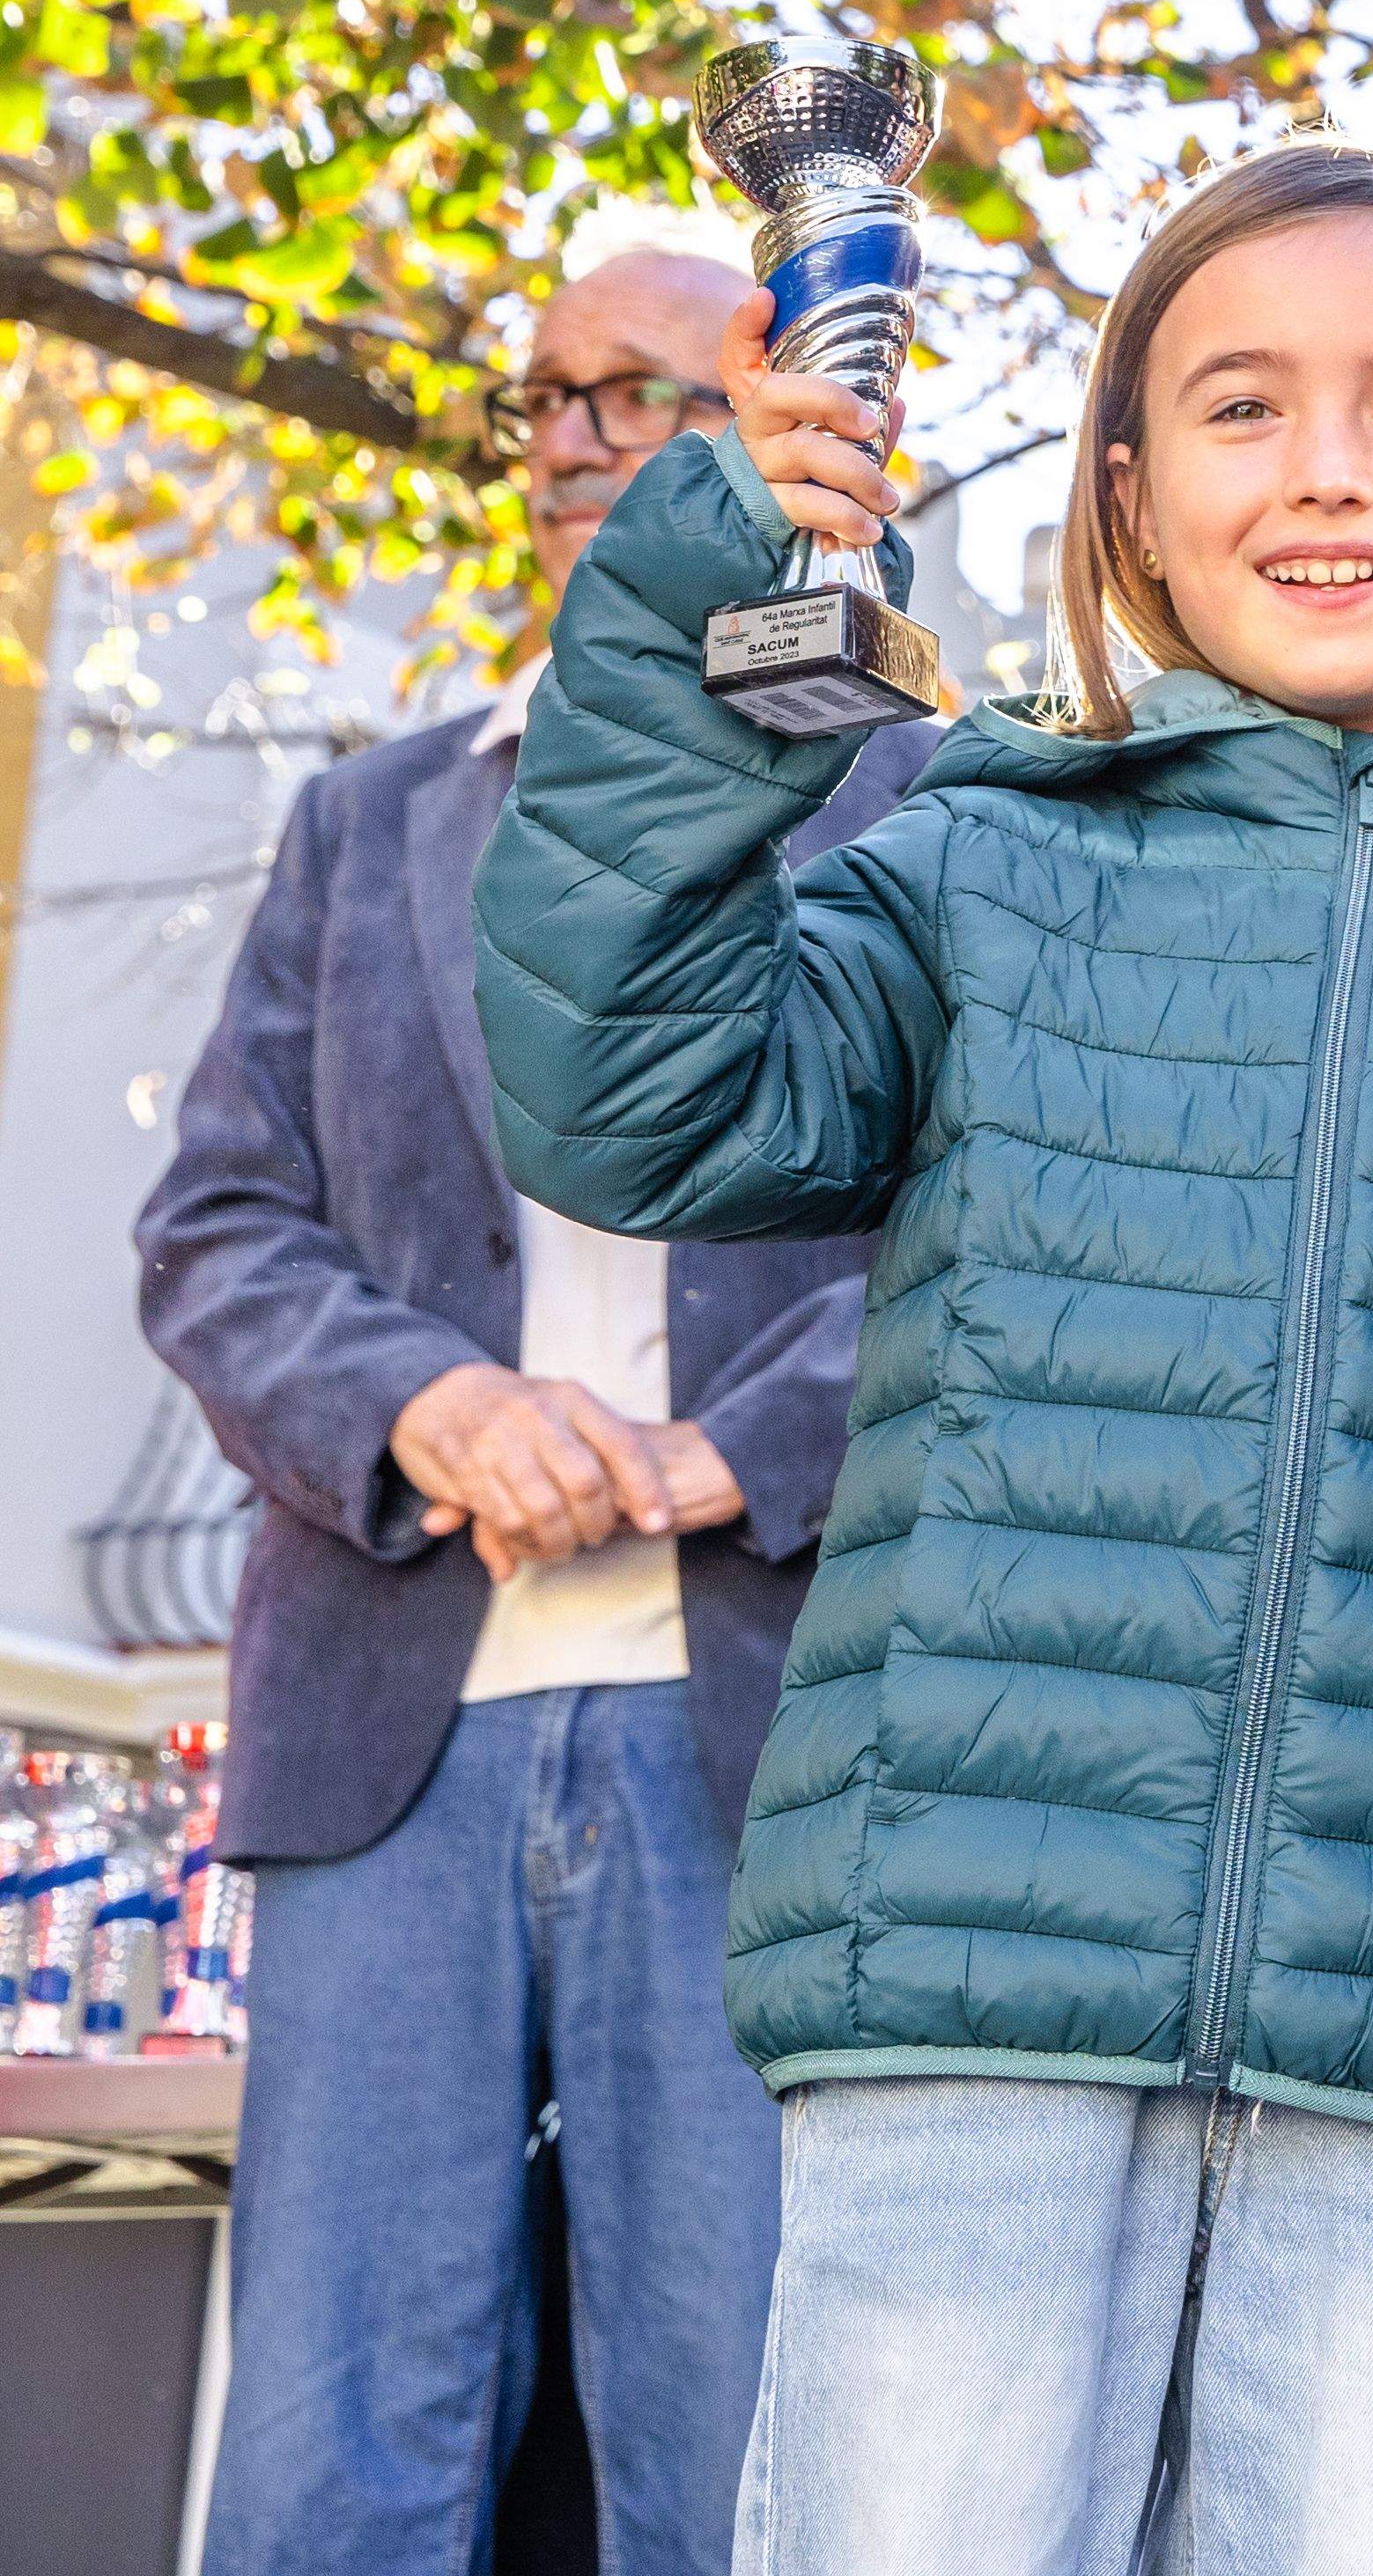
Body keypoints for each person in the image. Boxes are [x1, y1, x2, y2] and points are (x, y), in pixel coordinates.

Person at [468, 140, 1373, 2576]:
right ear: (1132, 498)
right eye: (1242, 410)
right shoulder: (987, 848)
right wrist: (694, 622)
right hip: (960, 1976)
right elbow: (628, 1091)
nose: (1321, 471)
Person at [137, 229, 927, 2576]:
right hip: (394, 1733)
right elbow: (217, 1233)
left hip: (761, 1730)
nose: (582, 444)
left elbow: (996, 1250)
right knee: (328, 2475)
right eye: (554, 400)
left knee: (734, 2464)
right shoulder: (371, 820)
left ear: (791, 437)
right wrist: (425, 1406)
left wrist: (728, 1448)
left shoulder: (928, 806)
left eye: (646, 399)